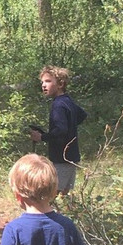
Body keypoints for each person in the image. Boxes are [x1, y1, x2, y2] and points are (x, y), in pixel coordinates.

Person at [28, 66, 87, 195]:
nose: (44, 85)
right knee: (64, 194)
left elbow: (61, 130)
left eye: (48, 81)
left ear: (60, 84)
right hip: (71, 156)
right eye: (42, 82)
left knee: (53, 194)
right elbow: (82, 115)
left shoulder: (58, 105)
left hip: (61, 158)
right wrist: (70, 127)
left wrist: (41, 137)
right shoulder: (67, 100)